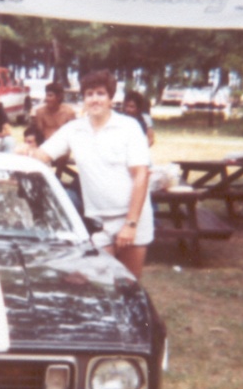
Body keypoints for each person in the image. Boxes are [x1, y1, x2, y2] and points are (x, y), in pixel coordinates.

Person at [22, 69, 153, 279]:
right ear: (83, 99)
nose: (95, 99)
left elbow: (141, 175)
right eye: (89, 94)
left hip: (132, 219)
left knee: (127, 285)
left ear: (111, 98)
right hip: (99, 222)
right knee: (88, 282)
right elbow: (42, 155)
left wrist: (130, 224)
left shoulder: (129, 127)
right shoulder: (74, 129)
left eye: (101, 93)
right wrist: (24, 151)